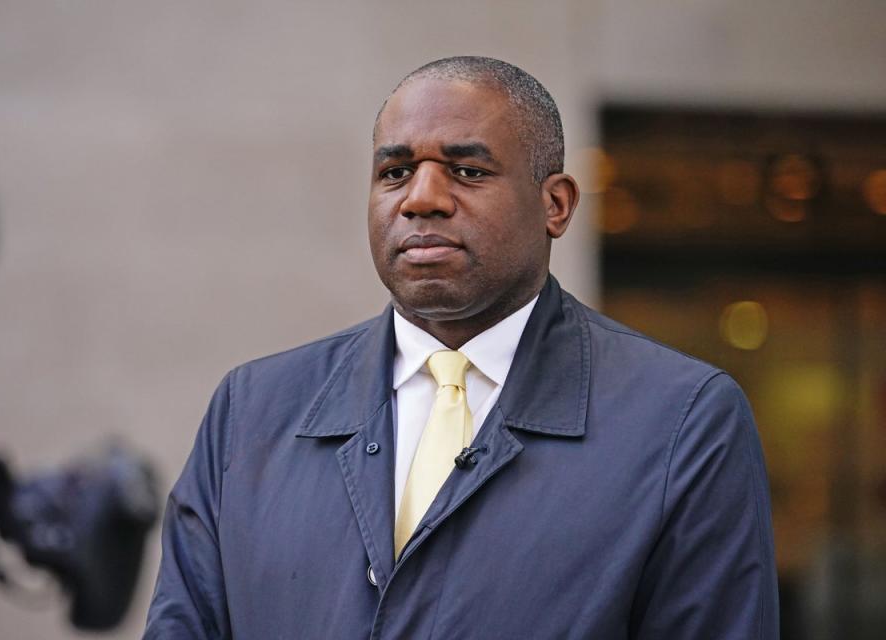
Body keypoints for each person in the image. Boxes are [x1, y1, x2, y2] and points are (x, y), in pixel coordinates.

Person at [144, 56, 780, 639]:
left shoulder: (682, 421)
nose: (421, 198)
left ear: (555, 204)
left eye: (467, 171)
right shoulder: (251, 412)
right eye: (395, 172)